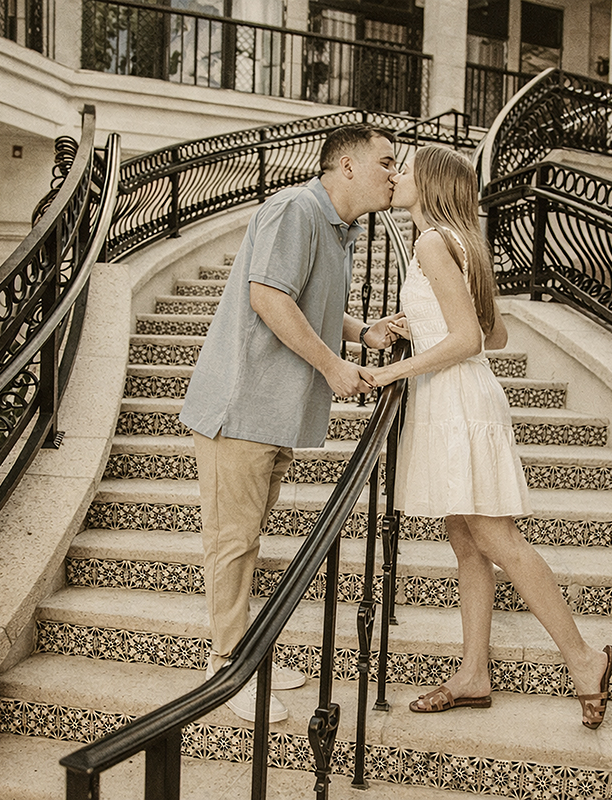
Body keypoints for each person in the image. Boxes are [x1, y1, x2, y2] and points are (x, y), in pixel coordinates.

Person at [366, 146, 612, 729]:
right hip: (459, 397)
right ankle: (474, 673)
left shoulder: (432, 244)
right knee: (466, 539)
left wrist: (390, 370)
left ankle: (583, 660)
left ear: (428, 183)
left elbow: (470, 342)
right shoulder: (462, 243)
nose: (396, 177)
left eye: (404, 170)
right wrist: (420, 329)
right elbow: (495, 334)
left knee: (493, 536)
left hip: (456, 399)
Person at [178, 124, 404, 723]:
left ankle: (245, 654)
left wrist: (362, 331)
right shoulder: (294, 210)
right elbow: (269, 299)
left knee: (246, 541)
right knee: (232, 542)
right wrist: (335, 367)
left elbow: (307, 301)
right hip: (240, 407)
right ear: (347, 165)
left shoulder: (340, 229)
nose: (394, 173)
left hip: (272, 413)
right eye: (386, 161)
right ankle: (226, 669)